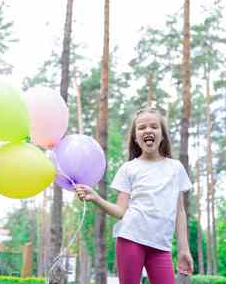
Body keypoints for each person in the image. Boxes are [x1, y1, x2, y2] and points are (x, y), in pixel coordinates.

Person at [75, 107, 193, 284]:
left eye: (154, 126)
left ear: (162, 135)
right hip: (131, 239)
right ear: (136, 138)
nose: (148, 130)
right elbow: (121, 211)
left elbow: (180, 212)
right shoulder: (129, 168)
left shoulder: (176, 168)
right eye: (141, 127)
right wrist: (96, 198)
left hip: (161, 246)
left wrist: (184, 249)